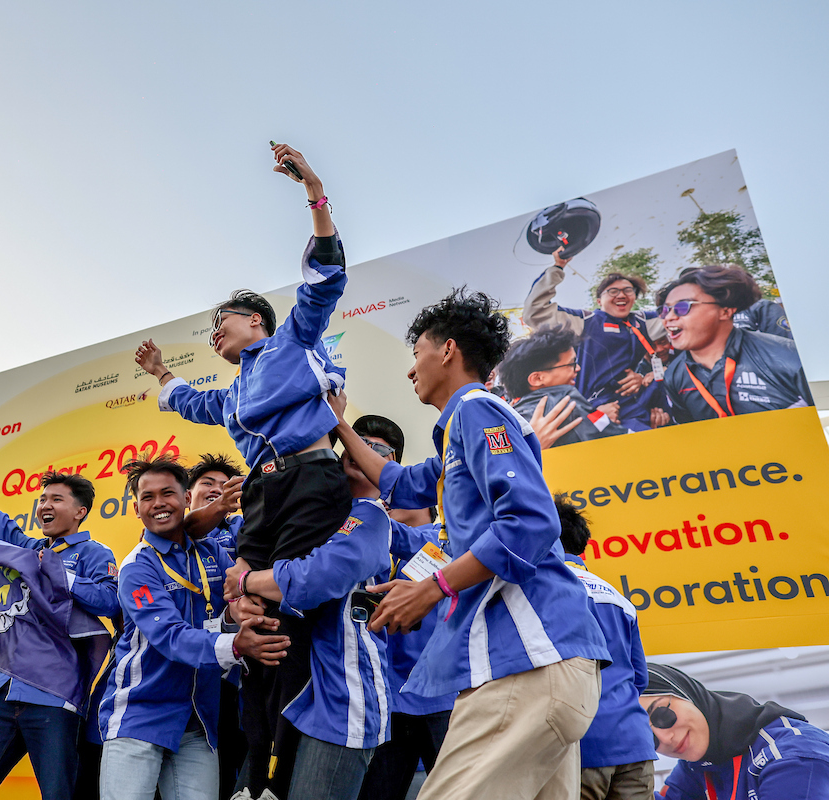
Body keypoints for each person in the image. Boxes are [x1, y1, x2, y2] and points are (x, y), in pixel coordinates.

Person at [135, 143, 352, 798]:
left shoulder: (294, 339)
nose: (213, 335)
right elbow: (189, 402)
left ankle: (288, 770)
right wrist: (160, 373)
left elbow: (326, 277)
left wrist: (312, 188)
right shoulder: (229, 398)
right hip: (262, 492)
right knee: (247, 618)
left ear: (255, 321)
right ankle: (253, 778)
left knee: (285, 608)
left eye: (219, 323)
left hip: (312, 479)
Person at [333, 289, 609, 800]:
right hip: (551, 671)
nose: (411, 371)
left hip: (528, 664)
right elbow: (402, 482)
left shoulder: (478, 410)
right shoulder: (458, 433)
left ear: (447, 351)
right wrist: (338, 422)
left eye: (416, 354)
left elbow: (527, 523)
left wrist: (434, 588)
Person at [99, 457, 289, 800]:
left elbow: (223, 613)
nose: (158, 503)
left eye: (168, 493)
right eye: (147, 497)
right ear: (136, 509)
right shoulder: (135, 567)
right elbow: (170, 637)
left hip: (199, 720)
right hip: (140, 716)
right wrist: (236, 645)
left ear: (186, 499)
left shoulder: (213, 552)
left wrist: (238, 616)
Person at [224, 421, 394, 800]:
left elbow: (313, 580)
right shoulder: (309, 515)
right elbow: (244, 581)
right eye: (352, 442)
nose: (357, 450)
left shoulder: (371, 517)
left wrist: (246, 582)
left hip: (339, 702)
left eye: (374, 448)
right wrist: (239, 604)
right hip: (290, 696)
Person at [0, 471, 120, 800]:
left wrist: (63, 575)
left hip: (55, 697)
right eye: (42, 500)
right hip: (1, 691)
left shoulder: (95, 553)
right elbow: (2, 525)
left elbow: (110, 602)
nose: (45, 506)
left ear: (80, 511)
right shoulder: (32, 549)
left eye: (56, 499)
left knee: (58, 795)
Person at [344, 416, 455, 800]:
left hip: (442, 697)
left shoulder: (448, 541)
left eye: (376, 451)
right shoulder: (360, 537)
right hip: (383, 702)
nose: (363, 457)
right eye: (356, 449)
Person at [555, 499, 655, 800]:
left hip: (579, 745)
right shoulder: (618, 598)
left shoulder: (539, 592)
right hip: (635, 742)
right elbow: (639, 679)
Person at [524, 248, 666, 431]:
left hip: (633, 410)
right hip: (589, 409)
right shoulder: (585, 321)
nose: (621, 295)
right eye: (613, 291)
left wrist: (649, 375)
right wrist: (558, 267)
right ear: (599, 300)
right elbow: (534, 312)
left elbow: (691, 324)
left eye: (628, 290)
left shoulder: (643, 322)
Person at [641, 663, 829, 798]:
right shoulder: (698, 764)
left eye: (662, 715)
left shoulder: (793, 756)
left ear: (685, 691)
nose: (666, 738)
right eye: (645, 737)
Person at [655, 264, 812, 422]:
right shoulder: (674, 375)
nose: (668, 318)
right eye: (664, 310)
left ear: (725, 310)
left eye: (683, 307)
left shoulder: (790, 358)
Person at [183, 452, 248, 799]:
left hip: (233, 669)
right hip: (179, 662)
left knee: (225, 760)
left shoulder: (246, 528)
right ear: (186, 494)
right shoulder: (167, 535)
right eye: (207, 484)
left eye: (225, 487)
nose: (216, 490)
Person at [500, 326, 631, 448]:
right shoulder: (566, 399)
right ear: (538, 378)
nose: (578, 368)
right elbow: (623, 441)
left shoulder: (508, 418)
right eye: (571, 364)